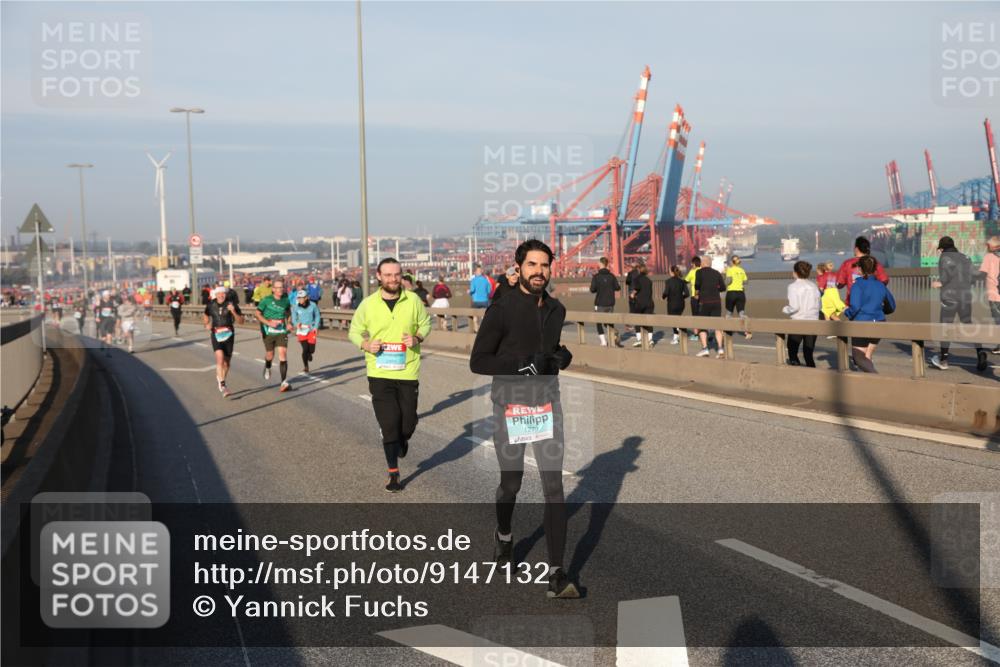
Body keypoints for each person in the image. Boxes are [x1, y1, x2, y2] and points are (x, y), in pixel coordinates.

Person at [469, 239, 579, 600]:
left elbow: (549, 351)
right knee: (511, 486)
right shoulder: (501, 309)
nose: (539, 272)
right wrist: (520, 366)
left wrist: (562, 357)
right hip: (511, 408)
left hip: (547, 406)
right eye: (532, 265)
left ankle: (557, 574)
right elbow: (479, 361)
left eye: (545, 266)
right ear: (518, 268)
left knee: (554, 489)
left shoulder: (557, 309)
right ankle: (504, 535)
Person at [348, 258, 431, 493]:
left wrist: (417, 338)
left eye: (397, 275)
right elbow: (353, 331)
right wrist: (365, 344)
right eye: (388, 275)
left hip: (407, 371)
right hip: (379, 372)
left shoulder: (413, 300)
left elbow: (426, 324)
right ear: (378, 276)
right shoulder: (368, 304)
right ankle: (393, 473)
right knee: (389, 423)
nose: (393, 279)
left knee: (408, 423)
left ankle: (403, 440)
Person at [929, 236, 986, 372]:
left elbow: (948, 273)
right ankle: (980, 351)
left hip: (950, 297)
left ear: (942, 248)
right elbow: (973, 276)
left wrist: (940, 283)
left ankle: (943, 360)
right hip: (965, 296)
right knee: (968, 324)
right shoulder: (965, 257)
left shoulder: (944, 257)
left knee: (946, 326)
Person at [843, 255, 895, 374]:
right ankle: (871, 385)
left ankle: (877, 378)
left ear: (859, 269)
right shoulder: (881, 285)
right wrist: (881, 311)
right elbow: (892, 306)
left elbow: (855, 306)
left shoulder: (858, 285)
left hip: (862, 323)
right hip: (879, 322)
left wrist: (847, 312)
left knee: (858, 357)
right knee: (867, 356)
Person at [203, 286, 245, 397]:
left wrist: (234, 311)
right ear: (215, 295)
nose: (221, 295)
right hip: (216, 334)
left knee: (227, 363)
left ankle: (220, 378)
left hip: (229, 335)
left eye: (223, 294)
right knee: (220, 359)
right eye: (219, 294)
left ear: (225, 295)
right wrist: (206, 323)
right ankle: (223, 385)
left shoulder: (232, 304)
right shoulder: (211, 305)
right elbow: (206, 315)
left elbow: (241, 322)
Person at [255, 278, 293, 392]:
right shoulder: (266, 300)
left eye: (282, 287)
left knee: (283, 354)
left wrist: (289, 323)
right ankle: (267, 366)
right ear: (273, 289)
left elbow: (288, 313)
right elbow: (257, 314)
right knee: (270, 355)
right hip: (268, 330)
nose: (281, 289)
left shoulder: (286, 300)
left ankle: (283, 382)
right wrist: (268, 323)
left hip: (281, 330)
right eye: (278, 288)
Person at [782, 261, 821, 367]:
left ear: (795, 272)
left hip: (798, 322)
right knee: (808, 353)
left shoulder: (793, 286)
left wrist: (785, 309)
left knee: (792, 351)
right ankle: (813, 375)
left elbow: (794, 307)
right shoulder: (813, 286)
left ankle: (798, 375)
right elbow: (818, 305)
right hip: (813, 322)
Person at [836, 236, 889, 306]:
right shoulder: (874, 263)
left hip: (853, 304)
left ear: (856, 249)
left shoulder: (847, 264)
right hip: (872, 304)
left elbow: (839, 284)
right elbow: (884, 280)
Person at [694, 258, 727, 358]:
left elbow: (697, 285)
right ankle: (720, 349)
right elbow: (723, 288)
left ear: (703, 263)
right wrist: (715, 287)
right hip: (716, 302)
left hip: (705, 302)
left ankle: (705, 349)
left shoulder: (699, 272)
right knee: (717, 326)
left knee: (702, 325)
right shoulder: (716, 273)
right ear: (710, 264)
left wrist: (698, 293)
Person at [590, 257, 621, 347]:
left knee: (599, 322)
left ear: (600, 264)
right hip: (610, 303)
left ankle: (603, 341)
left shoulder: (596, 277)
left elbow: (592, 290)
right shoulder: (612, 276)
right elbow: (618, 288)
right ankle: (613, 336)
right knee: (609, 322)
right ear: (607, 264)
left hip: (600, 303)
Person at [979, 235, 1000, 356]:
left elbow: (982, 273)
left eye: (988, 245)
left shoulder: (989, 257)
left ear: (992, 246)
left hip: (995, 295)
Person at [291, 289, 321, 373]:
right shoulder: (295, 306)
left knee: (311, 350)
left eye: (301, 298)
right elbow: (294, 318)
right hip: (301, 330)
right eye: (298, 298)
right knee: (305, 349)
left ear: (306, 297)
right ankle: (306, 366)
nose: (299, 300)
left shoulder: (313, 305)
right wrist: (296, 324)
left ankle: (309, 354)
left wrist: (316, 327)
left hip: (311, 329)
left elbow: (317, 316)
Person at [725, 255, 751, 340]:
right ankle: (747, 331)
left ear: (732, 262)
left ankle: (728, 330)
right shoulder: (742, 270)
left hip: (731, 293)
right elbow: (746, 281)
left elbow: (729, 281)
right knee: (741, 313)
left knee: (729, 313)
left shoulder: (730, 270)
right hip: (740, 293)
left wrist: (724, 283)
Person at [662, 265, 689, 344]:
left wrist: (663, 297)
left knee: (673, 320)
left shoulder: (668, 281)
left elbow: (666, 292)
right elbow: (687, 294)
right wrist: (681, 297)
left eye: (669, 271)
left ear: (672, 272)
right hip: (681, 303)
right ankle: (681, 333)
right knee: (678, 318)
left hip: (671, 303)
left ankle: (676, 338)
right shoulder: (682, 281)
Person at [630, 263, 655, 347]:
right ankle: (650, 340)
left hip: (640, 303)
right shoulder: (649, 280)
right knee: (649, 321)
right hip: (649, 303)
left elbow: (637, 288)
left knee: (637, 320)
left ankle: (640, 340)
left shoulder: (637, 279)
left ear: (639, 270)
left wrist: (632, 294)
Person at [95, 290, 117, 356]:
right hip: (102, 320)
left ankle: (108, 352)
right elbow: (97, 310)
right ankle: (102, 343)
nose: (109, 296)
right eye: (108, 295)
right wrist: (97, 317)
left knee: (109, 336)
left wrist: (114, 317)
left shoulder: (111, 302)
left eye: (109, 295)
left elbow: (114, 310)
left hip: (110, 320)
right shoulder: (100, 302)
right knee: (104, 337)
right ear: (104, 296)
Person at [685, 257, 702, 340]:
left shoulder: (692, 272)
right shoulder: (703, 270)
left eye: (692, 263)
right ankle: (704, 333)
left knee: (695, 315)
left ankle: (696, 335)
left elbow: (685, 280)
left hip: (694, 296)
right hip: (704, 296)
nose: (691, 265)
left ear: (694, 263)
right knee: (703, 315)